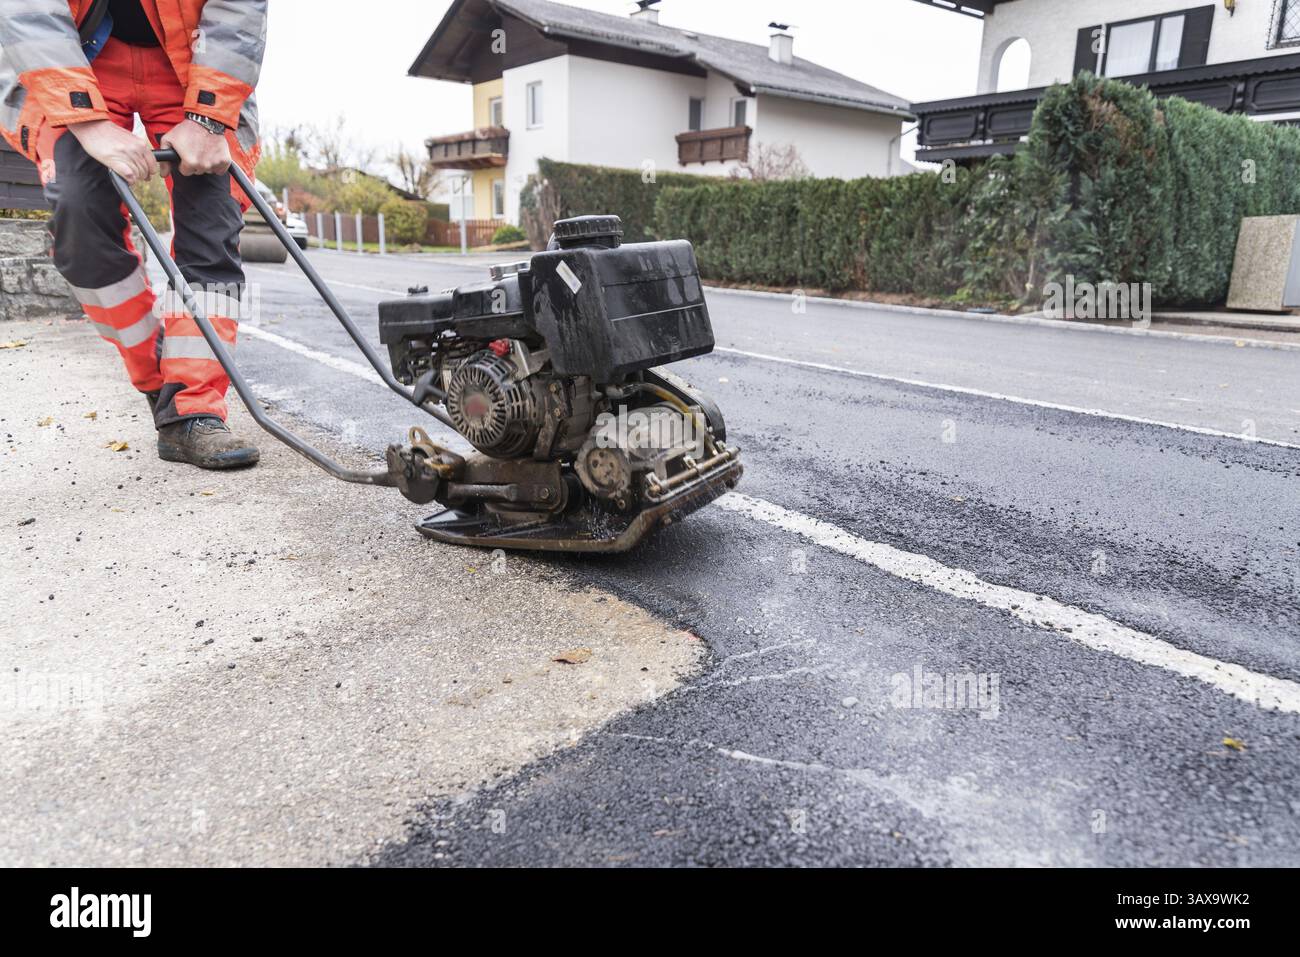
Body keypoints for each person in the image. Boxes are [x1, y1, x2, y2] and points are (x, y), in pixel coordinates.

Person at [0, 0, 268, 468]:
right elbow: (30, 11)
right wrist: (86, 120)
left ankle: (194, 410)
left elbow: (239, 11)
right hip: (75, 55)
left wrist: (207, 118)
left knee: (213, 225)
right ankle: (157, 380)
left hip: (189, 60)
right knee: (81, 214)